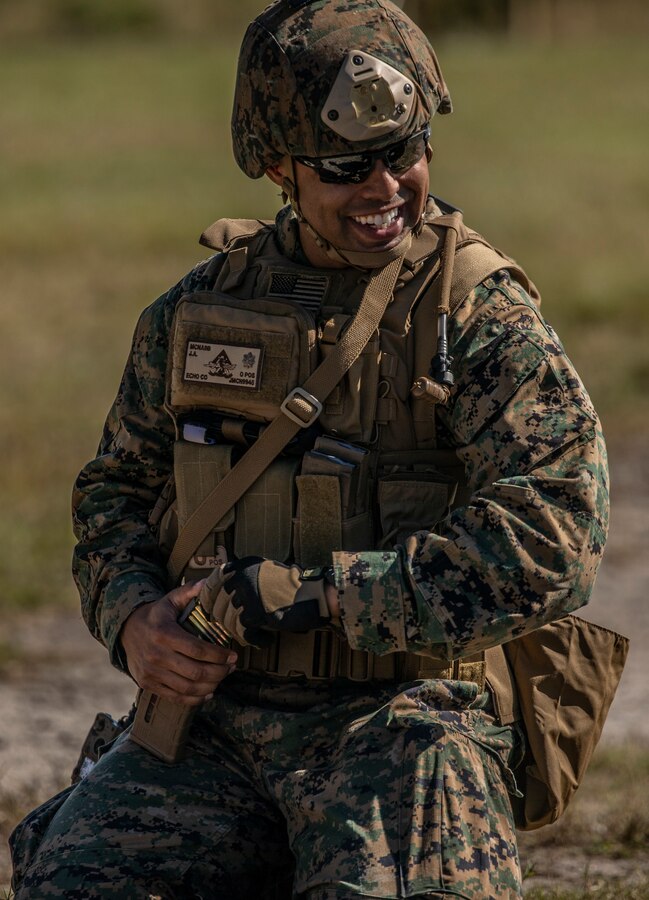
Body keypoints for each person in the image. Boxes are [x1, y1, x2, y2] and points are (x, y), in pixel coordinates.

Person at [10, 0, 609, 897]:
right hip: (212, 725)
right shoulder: (198, 311)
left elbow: (554, 539)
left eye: (403, 151)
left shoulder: (477, 317)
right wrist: (134, 619)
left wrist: (323, 598)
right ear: (278, 168)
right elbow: (113, 498)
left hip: (403, 719)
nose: (384, 187)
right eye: (344, 167)